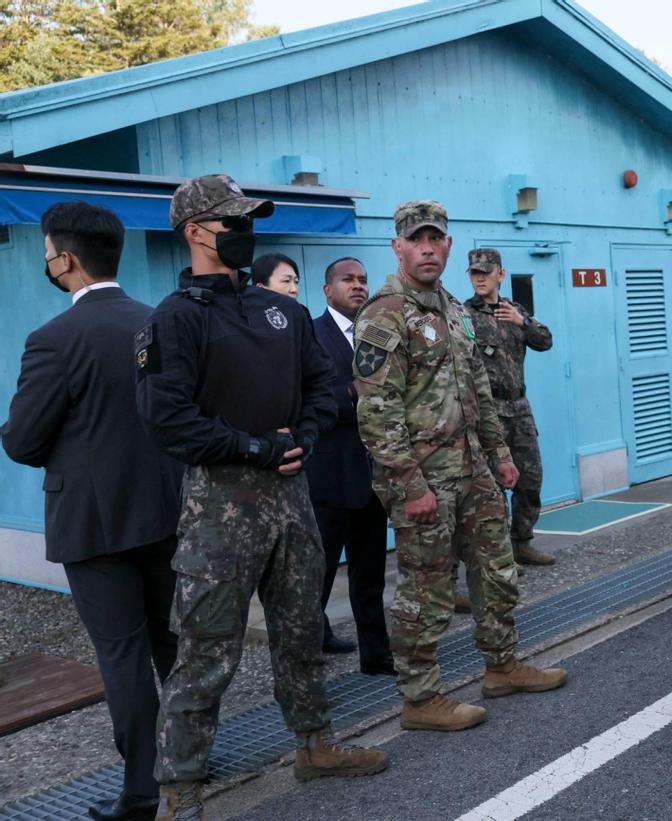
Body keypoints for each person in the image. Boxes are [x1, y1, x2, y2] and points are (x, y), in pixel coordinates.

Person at [136, 174, 388, 818]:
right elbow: (168, 420)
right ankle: (181, 788)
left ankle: (314, 745)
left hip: (291, 499)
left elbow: (321, 387)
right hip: (220, 508)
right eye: (233, 222)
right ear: (196, 232)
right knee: (206, 649)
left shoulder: (283, 313)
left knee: (301, 631)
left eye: (249, 222)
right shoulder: (174, 318)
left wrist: (300, 437)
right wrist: (256, 448)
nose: (245, 234)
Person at [353, 200, 566, 733]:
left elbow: (478, 392)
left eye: (436, 239)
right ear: (397, 246)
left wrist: (499, 455)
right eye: (415, 239)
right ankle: (421, 698)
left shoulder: (453, 309)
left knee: (496, 569)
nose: (427, 248)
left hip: (475, 469)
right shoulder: (384, 313)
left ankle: (502, 665)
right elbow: (376, 412)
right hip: (424, 478)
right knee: (426, 589)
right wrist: (408, 482)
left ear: (448, 245)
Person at [2, 202, 185, 821]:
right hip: (166, 509)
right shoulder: (158, 323)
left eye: (49, 251)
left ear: (66, 259)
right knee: (171, 643)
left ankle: (139, 794)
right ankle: (192, 761)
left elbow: (23, 441)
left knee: (123, 654)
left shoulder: (53, 339)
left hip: (94, 524)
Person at [308, 256, 394, 671]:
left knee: (370, 575)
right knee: (317, 579)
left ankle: (376, 657)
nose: (357, 286)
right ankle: (307, 664)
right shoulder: (311, 334)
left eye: (362, 279)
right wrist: (355, 393)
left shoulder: (376, 336)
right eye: (347, 280)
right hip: (330, 478)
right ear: (328, 289)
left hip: (374, 476)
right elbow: (310, 400)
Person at [463, 248, 556, 567]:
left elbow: (545, 341)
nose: (479, 278)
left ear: (500, 275)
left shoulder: (514, 311)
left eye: (485, 272)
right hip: (487, 412)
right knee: (492, 487)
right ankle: (500, 555)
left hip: (519, 407)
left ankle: (522, 542)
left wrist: (523, 321)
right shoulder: (463, 315)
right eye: (474, 273)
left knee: (531, 478)